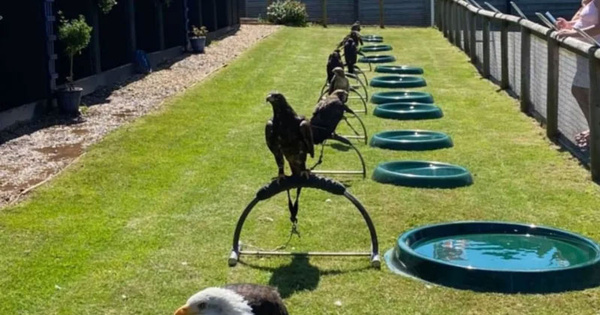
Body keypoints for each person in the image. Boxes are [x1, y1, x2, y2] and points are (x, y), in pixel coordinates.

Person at [556, 0, 600, 148]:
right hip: (585, 50)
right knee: (582, 91)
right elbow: (584, 21)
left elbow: (599, 26)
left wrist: (573, 32)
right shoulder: (590, 1)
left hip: (595, 51)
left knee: (586, 91)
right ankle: (595, 131)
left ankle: (596, 134)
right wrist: (569, 25)